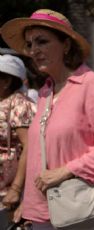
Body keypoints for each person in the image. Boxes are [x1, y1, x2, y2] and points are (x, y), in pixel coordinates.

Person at [1, 9, 94, 230]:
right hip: (40, 215)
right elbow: (38, 154)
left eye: (42, 41)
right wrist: (26, 202)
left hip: (77, 210)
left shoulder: (88, 83)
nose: (34, 50)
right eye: (30, 44)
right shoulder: (46, 91)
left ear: (66, 45)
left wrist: (66, 170)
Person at [0, 54, 35, 229]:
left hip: (11, 193)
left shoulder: (20, 104)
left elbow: (30, 146)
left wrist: (16, 189)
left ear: (6, 81)